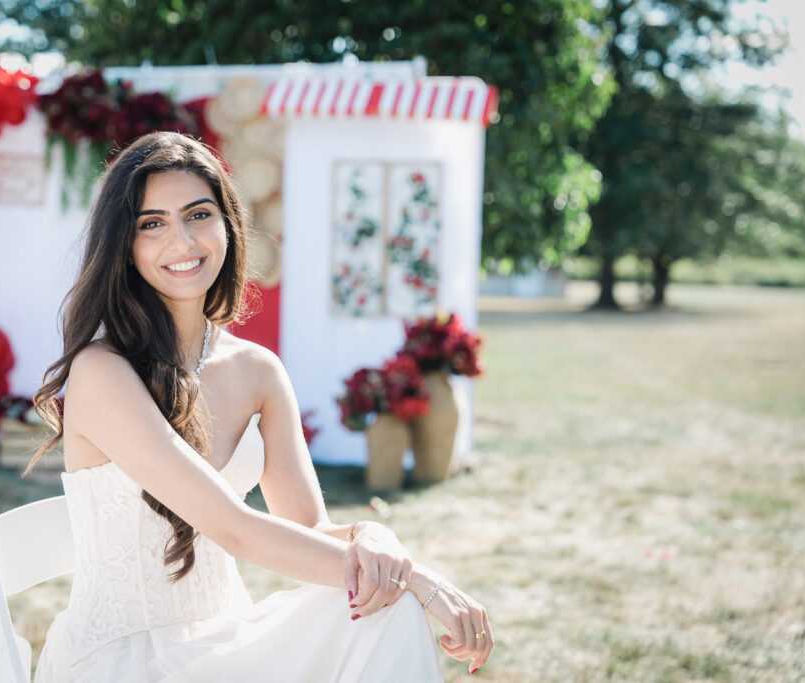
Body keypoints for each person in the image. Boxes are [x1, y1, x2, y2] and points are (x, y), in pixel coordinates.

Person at [26, 131, 492, 682]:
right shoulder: (103, 372)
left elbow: (309, 528)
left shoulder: (257, 370)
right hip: (127, 658)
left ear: (228, 225)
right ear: (123, 245)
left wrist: (373, 537)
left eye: (198, 215)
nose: (182, 241)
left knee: (386, 606)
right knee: (398, 592)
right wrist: (419, 579)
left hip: (224, 643)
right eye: (152, 224)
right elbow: (235, 529)